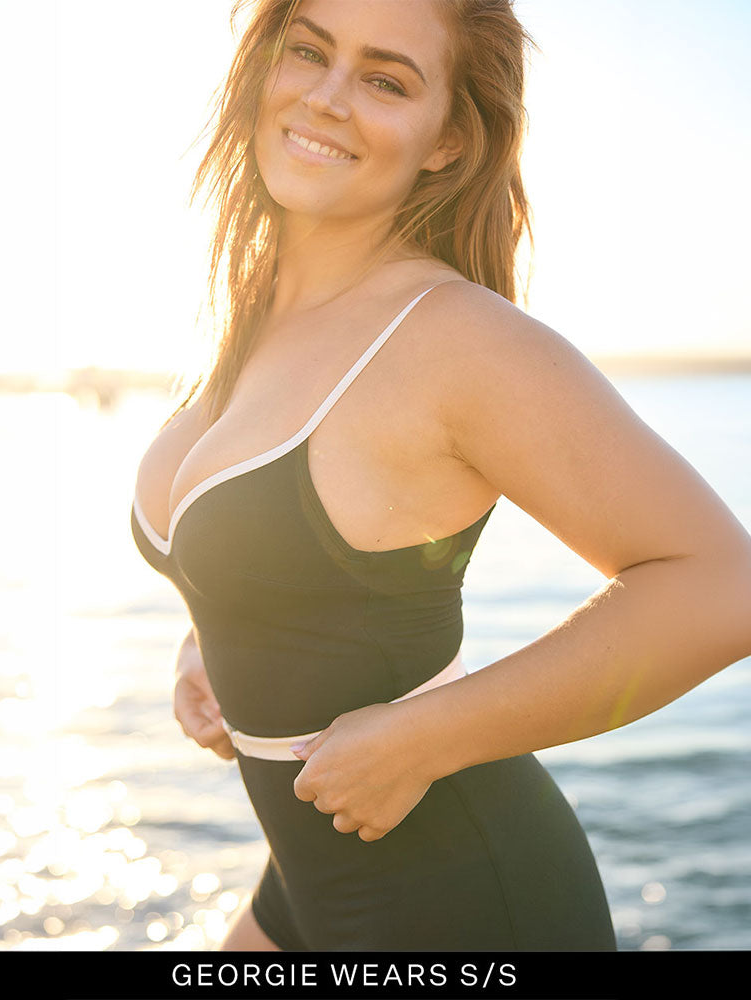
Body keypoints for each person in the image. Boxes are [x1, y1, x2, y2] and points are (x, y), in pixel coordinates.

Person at [130, 0, 751, 951]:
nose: (328, 97)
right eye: (308, 51)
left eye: (385, 79)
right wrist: (215, 634)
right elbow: (297, 560)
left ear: (447, 141)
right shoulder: (253, 323)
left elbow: (722, 586)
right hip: (302, 884)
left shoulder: (456, 339)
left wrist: (427, 739)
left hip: (463, 900)